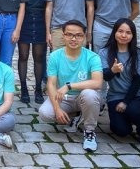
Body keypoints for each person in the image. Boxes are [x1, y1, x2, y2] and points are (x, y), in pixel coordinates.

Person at [38, 20, 103, 152]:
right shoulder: (55, 56)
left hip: (83, 96)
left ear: (84, 37)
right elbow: (51, 84)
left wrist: (69, 85)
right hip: (64, 98)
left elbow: (97, 82)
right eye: (69, 34)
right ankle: (75, 116)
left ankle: (89, 132)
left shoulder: (92, 57)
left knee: (90, 94)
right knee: (45, 113)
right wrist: (57, 109)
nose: (73, 39)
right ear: (63, 36)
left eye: (78, 35)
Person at [99, 18, 140, 147]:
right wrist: (112, 70)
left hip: (138, 95)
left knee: (134, 110)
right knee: (121, 131)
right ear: (114, 33)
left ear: (133, 35)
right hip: (115, 96)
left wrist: (125, 102)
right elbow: (105, 77)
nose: (124, 35)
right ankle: (130, 119)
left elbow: (137, 81)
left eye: (128, 32)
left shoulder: (139, 53)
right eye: (120, 31)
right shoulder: (104, 52)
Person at [18, 0, 48, 104]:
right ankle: (23, 88)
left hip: (41, 22)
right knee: (23, 56)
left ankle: (37, 89)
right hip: (24, 22)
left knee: (39, 57)